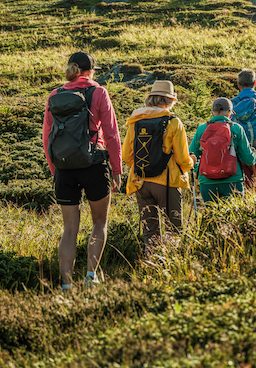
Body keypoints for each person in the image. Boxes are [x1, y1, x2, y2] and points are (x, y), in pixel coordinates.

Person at [42, 51, 122, 290]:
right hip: (93, 165)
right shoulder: (98, 92)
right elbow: (111, 134)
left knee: (69, 229)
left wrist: (55, 167)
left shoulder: (54, 95)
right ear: (91, 71)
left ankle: (66, 285)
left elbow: (47, 136)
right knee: (99, 222)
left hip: (65, 168)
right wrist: (117, 169)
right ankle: (91, 275)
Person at [121, 80, 195, 255]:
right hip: (167, 182)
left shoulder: (135, 122)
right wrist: (190, 162)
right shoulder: (174, 122)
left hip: (140, 182)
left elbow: (126, 156)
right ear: (169, 100)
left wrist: (144, 166)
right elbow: (183, 158)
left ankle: (149, 266)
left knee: (150, 233)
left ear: (152, 98)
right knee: (174, 230)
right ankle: (171, 267)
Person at [189, 97, 256, 203]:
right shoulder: (236, 128)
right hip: (233, 180)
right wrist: (253, 155)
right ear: (230, 113)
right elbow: (248, 159)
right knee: (233, 216)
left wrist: (200, 169)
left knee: (210, 216)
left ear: (212, 113)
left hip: (207, 182)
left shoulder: (202, 129)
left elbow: (192, 154)